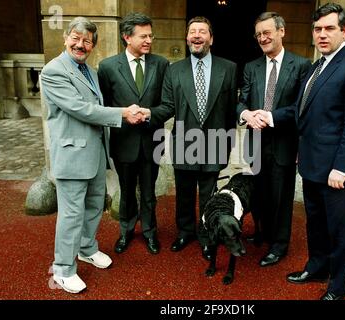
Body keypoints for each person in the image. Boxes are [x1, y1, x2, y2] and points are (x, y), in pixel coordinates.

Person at [257, 3, 345, 300]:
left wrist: (343, 167)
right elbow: (300, 111)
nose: (322, 35)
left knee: (339, 230)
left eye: (329, 29)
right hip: (311, 164)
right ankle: (317, 267)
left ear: (344, 31)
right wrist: (269, 116)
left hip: (336, 171)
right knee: (316, 225)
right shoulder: (317, 66)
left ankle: (339, 286)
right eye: (318, 29)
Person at [41, 17, 140, 294]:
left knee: (95, 204)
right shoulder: (53, 71)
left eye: (87, 41)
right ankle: (63, 269)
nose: (80, 44)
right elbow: (81, 109)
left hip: (95, 152)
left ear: (93, 45)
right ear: (65, 38)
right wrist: (123, 113)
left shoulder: (90, 71)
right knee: (71, 213)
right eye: (76, 37)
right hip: (72, 156)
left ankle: (86, 248)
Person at [136, 16, 237, 261]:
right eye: (192, 31)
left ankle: (206, 235)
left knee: (208, 195)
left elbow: (230, 111)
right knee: (183, 193)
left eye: (202, 31)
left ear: (211, 38)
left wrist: (227, 146)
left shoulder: (229, 68)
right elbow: (168, 106)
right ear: (187, 37)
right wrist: (148, 113)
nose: (197, 35)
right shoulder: (174, 69)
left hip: (215, 141)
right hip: (184, 142)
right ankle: (185, 232)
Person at [237, 12, 311, 267]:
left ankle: (279, 245)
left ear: (282, 31)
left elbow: (300, 107)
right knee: (258, 195)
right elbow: (241, 101)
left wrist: (268, 117)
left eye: (267, 32)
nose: (262, 38)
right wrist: (247, 114)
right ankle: (262, 233)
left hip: (283, 143)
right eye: (258, 34)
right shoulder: (251, 67)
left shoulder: (301, 65)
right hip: (255, 143)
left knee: (280, 198)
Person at [98, 13, 169, 255]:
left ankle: (150, 232)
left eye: (151, 35)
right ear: (127, 37)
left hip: (152, 141)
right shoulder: (107, 67)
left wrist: (149, 113)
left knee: (149, 192)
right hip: (124, 143)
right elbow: (103, 107)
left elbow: (168, 105)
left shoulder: (161, 64)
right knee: (127, 191)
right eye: (144, 36)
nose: (149, 40)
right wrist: (123, 114)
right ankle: (126, 232)